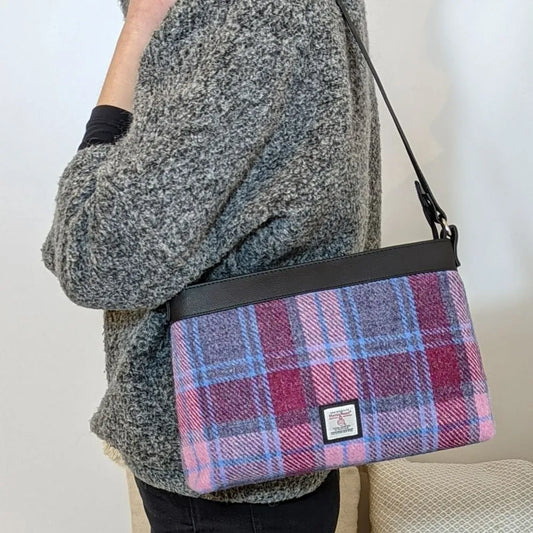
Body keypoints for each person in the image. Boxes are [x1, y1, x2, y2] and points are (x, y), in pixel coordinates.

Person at [41, 0, 381, 530]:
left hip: (227, 454)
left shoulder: (249, 15)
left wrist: (139, 27)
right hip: (286, 425)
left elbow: (93, 255)